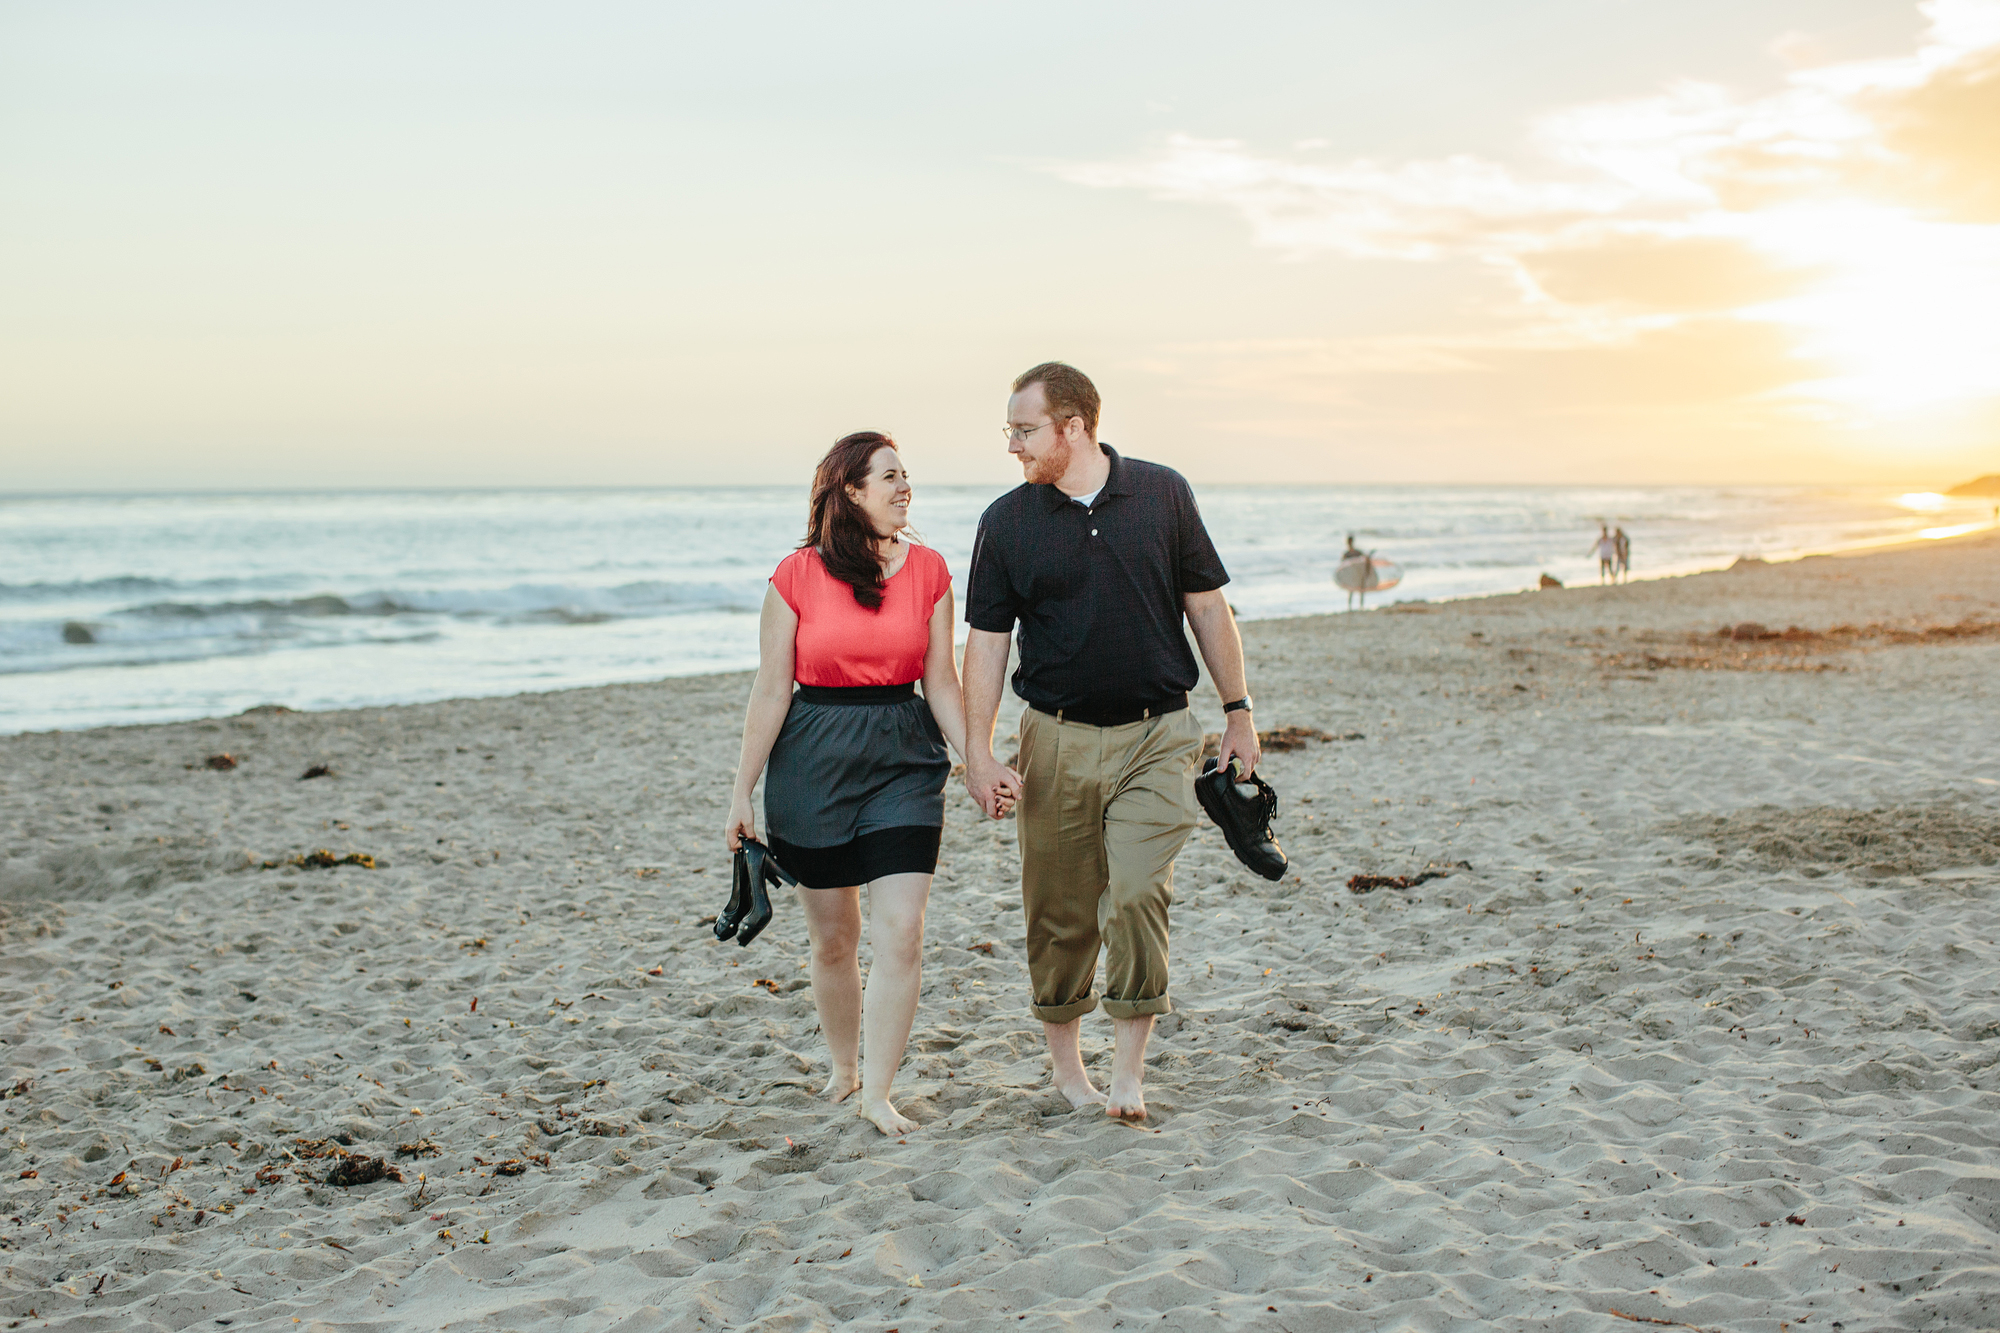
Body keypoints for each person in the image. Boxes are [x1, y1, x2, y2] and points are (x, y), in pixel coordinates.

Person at [961, 362, 1261, 1122]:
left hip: (1158, 734)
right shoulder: (1006, 521)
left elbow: (1207, 605)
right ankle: (1070, 1072)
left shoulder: (1162, 493)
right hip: (1053, 739)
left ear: (1073, 426)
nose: (1013, 446)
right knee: (1058, 911)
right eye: (1010, 432)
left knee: (1135, 891)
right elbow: (988, 646)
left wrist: (1238, 711)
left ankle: (1128, 1070)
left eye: (1024, 430)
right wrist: (980, 750)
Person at [725, 431, 987, 1136]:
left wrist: (974, 762)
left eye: (907, 477)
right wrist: (741, 789)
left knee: (902, 930)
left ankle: (878, 1091)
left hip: (903, 752)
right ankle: (843, 1067)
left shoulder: (930, 570)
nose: (906, 489)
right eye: (891, 477)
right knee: (836, 937)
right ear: (850, 491)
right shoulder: (795, 575)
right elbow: (771, 689)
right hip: (813, 756)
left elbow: (940, 679)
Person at [1336, 533, 1371, 609]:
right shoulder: (1350, 553)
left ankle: (1359, 607)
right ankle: (1353, 607)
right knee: (1352, 590)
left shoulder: (1353, 553)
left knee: (1358, 590)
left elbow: (1364, 560)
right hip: (1353, 574)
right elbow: (1343, 566)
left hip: (1357, 574)